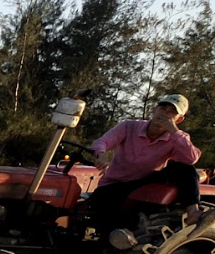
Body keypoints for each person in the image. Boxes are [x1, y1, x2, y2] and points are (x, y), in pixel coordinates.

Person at [87, 93, 203, 238]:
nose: (165, 114)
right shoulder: (129, 126)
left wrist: (174, 131)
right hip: (117, 183)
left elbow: (191, 158)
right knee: (100, 199)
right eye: (162, 108)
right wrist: (101, 154)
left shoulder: (177, 137)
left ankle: (193, 211)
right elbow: (102, 142)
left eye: (172, 112)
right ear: (154, 110)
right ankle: (115, 237)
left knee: (185, 168)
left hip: (146, 181)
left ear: (179, 119)